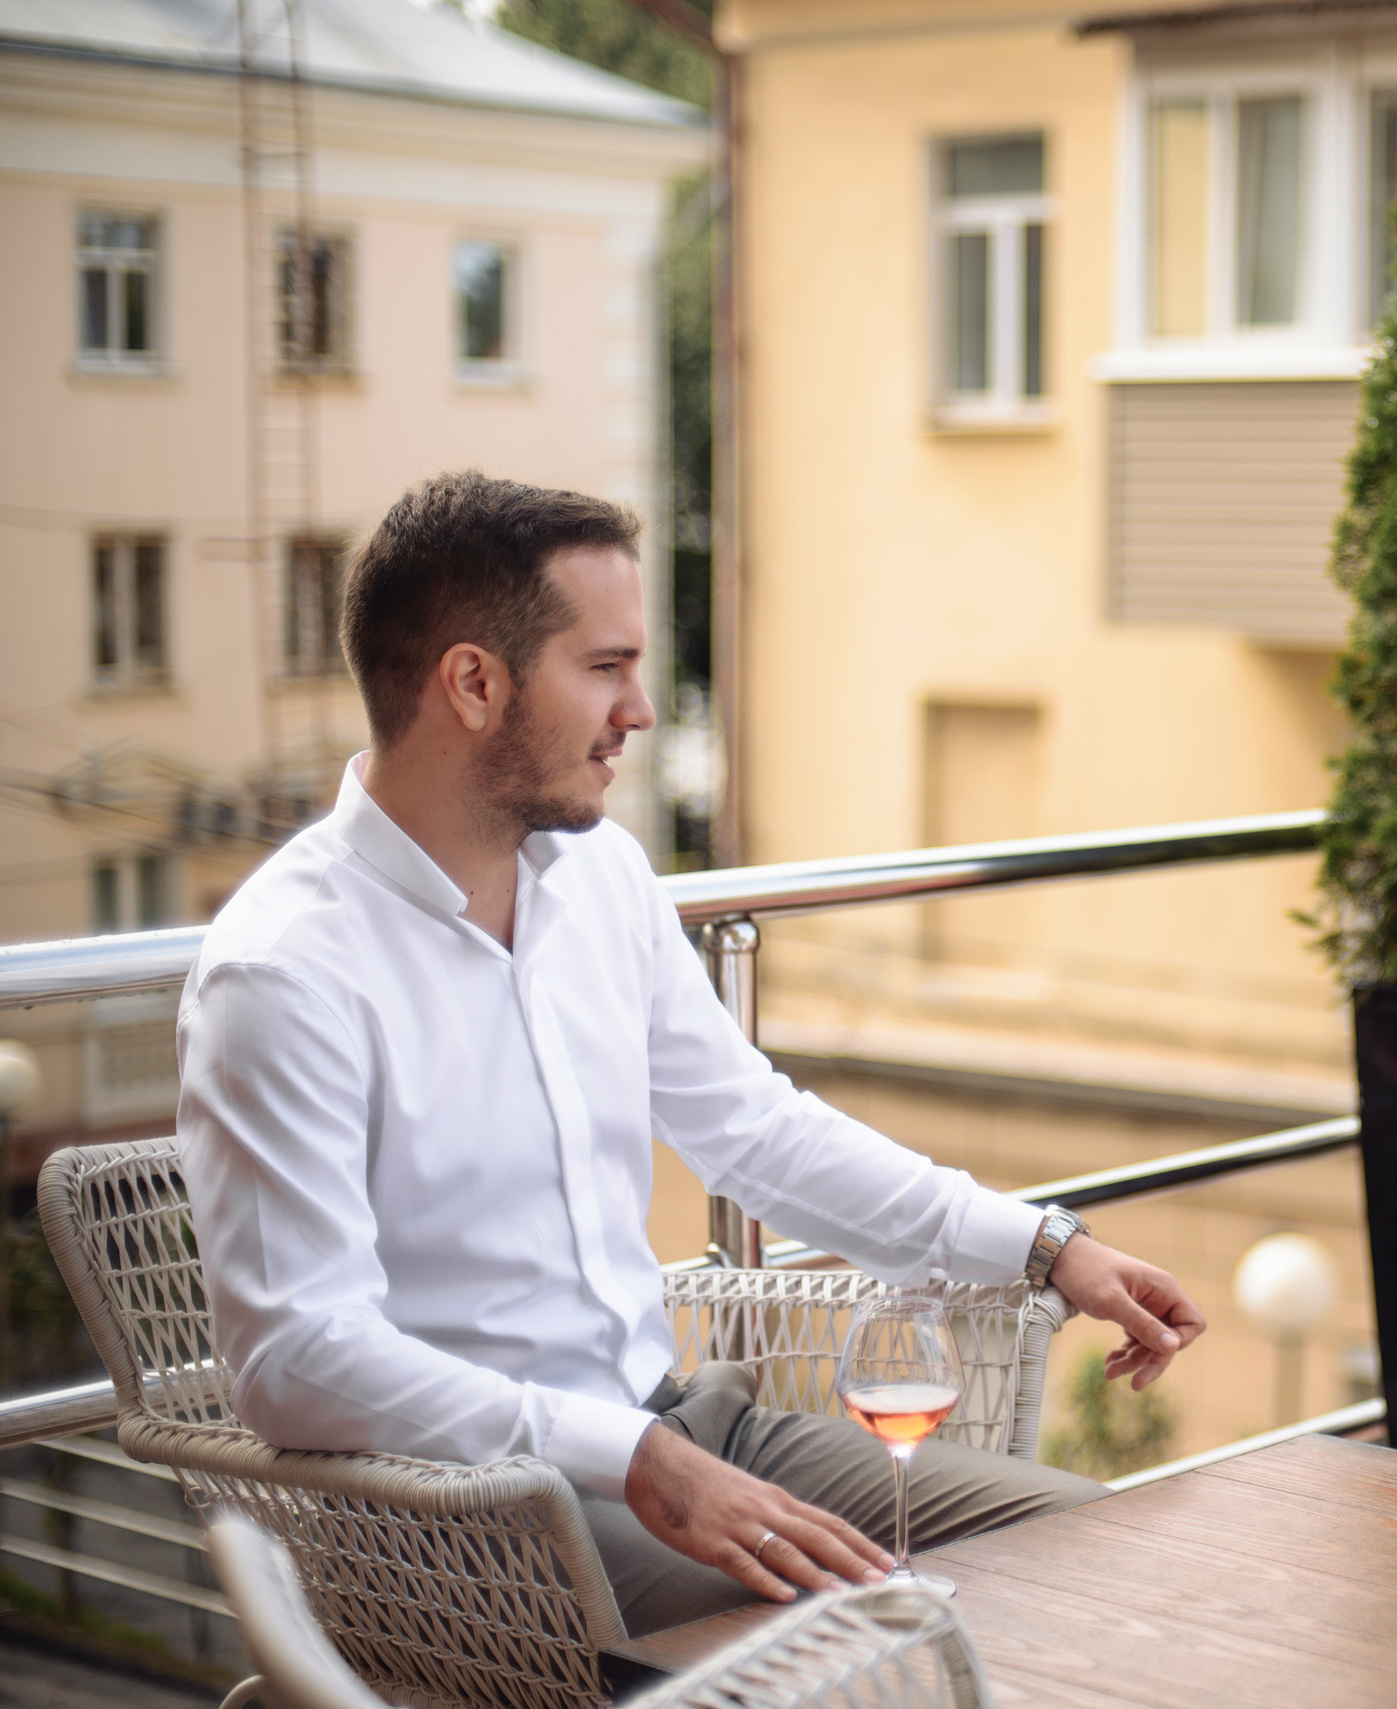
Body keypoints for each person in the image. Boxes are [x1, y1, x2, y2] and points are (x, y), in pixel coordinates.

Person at [177, 470, 1207, 1634]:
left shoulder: (599, 875)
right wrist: (633, 1459)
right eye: (606, 667)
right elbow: (300, 1359)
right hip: (473, 1523)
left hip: (681, 1427)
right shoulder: (283, 972)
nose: (642, 708)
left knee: (1098, 1549)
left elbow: (753, 1130)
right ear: (474, 681)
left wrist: (1041, 1243)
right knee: (908, 1626)